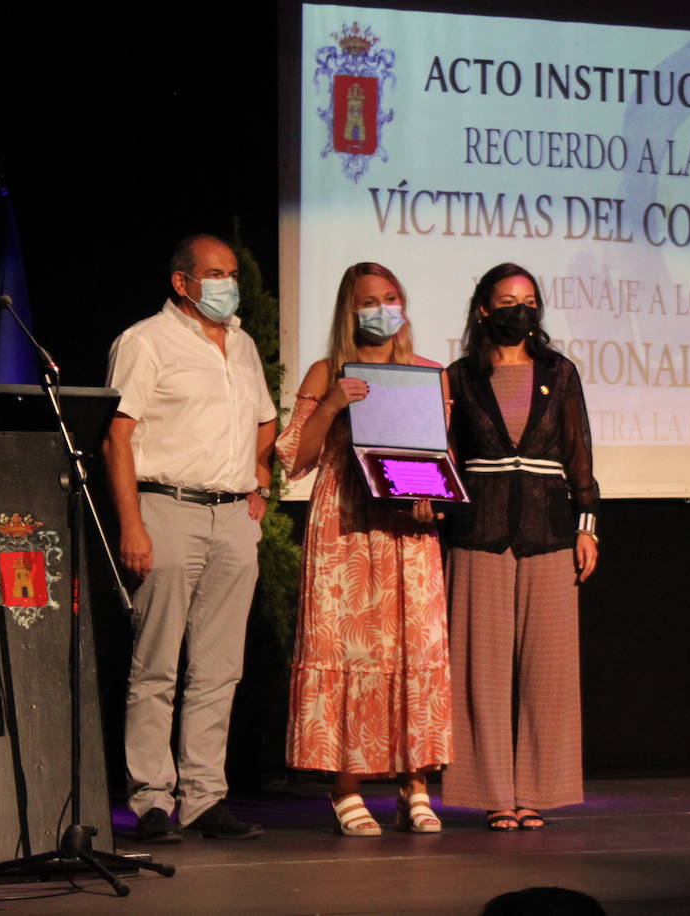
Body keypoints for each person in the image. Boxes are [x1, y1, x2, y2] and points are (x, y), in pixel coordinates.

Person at [102, 234, 276, 843]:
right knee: (156, 666)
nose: (228, 283)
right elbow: (116, 436)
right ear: (182, 282)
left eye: (232, 272)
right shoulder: (145, 341)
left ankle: (205, 799)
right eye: (215, 273)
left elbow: (265, 417)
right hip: (167, 508)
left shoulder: (244, 345)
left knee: (219, 668)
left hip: (232, 518)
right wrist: (132, 524)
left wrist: (258, 476)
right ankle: (152, 798)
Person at [276, 262, 451, 836]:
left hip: (408, 531)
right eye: (369, 301)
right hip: (345, 525)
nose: (382, 309)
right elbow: (295, 459)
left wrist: (433, 497)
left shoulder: (430, 373)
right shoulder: (329, 370)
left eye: (391, 297)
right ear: (350, 312)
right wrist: (330, 403)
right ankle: (345, 788)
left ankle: (415, 786)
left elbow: (438, 456)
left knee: (411, 648)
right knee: (347, 649)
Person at [442, 262, 599, 831]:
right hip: (478, 529)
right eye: (508, 300)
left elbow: (579, 453)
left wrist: (588, 526)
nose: (520, 309)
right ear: (484, 308)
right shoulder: (459, 377)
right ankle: (492, 794)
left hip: (549, 529)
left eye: (529, 299)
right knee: (479, 668)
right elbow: (446, 455)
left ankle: (538, 790)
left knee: (550, 668)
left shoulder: (560, 373)